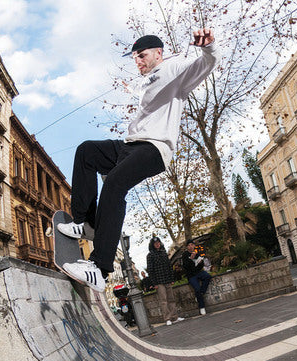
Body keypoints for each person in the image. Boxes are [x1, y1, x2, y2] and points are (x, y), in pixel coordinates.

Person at [56, 30, 220, 291]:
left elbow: (204, 65)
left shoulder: (174, 68)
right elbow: (144, 90)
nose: (138, 62)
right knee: (87, 151)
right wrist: (130, 87)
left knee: (114, 184)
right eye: (134, 58)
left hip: (154, 149)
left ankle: (100, 269)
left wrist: (208, 48)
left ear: (158, 53)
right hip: (130, 145)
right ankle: (85, 223)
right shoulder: (146, 82)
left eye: (142, 56)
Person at [146, 236, 183, 325]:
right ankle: (167, 318)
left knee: (171, 299)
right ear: (152, 245)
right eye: (155, 243)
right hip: (159, 281)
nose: (157, 244)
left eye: (158, 242)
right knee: (163, 300)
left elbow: (169, 266)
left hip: (167, 279)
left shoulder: (163, 253)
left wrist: (172, 278)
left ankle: (175, 317)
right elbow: (150, 270)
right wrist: (154, 283)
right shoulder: (150, 255)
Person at [182, 241, 212, 315]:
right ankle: (202, 307)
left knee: (207, 276)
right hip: (191, 275)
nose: (190, 246)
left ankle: (201, 293)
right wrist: (191, 259)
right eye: (189, 245)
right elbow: (186, 267)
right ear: (187, 247)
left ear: (194, 245)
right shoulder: (185, 255)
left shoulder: (197, 254)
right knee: (197, 289)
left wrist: (200, 263)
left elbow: (200, 266)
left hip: (198, 273)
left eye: (192, 245)